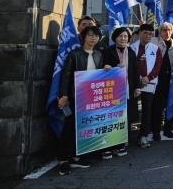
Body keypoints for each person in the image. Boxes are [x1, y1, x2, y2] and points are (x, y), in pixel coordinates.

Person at [57, 25, 105, 175]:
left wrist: (108, 69)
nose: (93, 38)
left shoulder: (99, 55)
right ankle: (63, 160)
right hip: (75, 96)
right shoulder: (74, 54)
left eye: (96, 36)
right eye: (90, 35)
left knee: (83, 128)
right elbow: (66, 75)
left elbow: (100, 75)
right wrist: (64, 95)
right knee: (69, 127)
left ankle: (76, 157)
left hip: (91, 98)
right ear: (83, 37)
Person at [101, 27, 142, 160]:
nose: (123, 38)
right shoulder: (107, 51)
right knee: (110, 117)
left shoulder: (131, 52)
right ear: (115, 38)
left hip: (127, 89)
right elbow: (101, 67)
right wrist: (109, 68)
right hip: (111, 90)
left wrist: (137, 87)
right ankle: (106, 146)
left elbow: (135, 71)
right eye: (120, 36)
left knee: (124, 117)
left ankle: (120, 143)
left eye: (125, 36)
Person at [131, 23, 162, 149]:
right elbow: (131, 65)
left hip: (150, 83)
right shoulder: (131, 48)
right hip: (134, 83)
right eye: (145, 33)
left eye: (150, 34)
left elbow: (158, 66)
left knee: (147, 110)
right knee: (131, 110)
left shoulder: (156, 48)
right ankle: (126, 136)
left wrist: (148, 78)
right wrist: (138, 78)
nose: (148, 35)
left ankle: (143, 135)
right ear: (140, 33)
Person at [150, 22, 173, 141]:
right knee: (157, 105)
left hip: (171, 79)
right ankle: (156, 131)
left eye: (169, 30)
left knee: (170, 104)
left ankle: (167, 129)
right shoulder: (154, 42)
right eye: (164, 30)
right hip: (158, 78)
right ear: (160, 32)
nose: (167, 32)